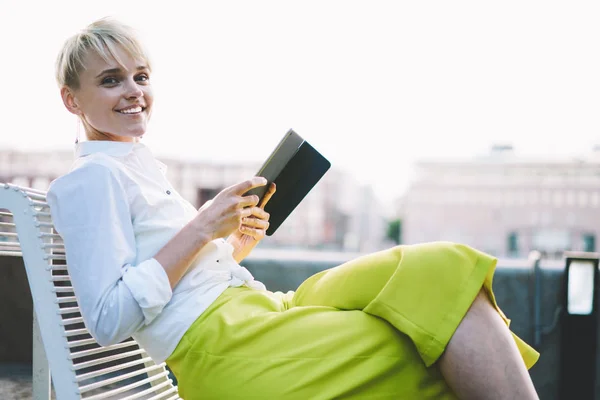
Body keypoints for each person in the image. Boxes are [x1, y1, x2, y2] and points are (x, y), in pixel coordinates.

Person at [47, 18, 540, 399]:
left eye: (141, 76)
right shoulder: (91, 180)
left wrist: (232, 247)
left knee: (441, 269)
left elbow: (180, 284)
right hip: (227, 345)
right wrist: (200, 230)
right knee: (419, 336)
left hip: (260, 308)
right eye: (111, 80)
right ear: (72, 100)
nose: (134, 91)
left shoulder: (135, 165)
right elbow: (108, 319)